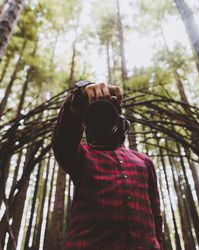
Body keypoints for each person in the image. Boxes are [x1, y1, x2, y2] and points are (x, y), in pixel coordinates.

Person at [52, 81, 163, 250]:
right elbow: (63, 141)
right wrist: (78, 97)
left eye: (107, 116)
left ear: (123, 123)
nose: (102, 121)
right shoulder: (80, 154)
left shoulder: (145, 161)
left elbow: (156, 216)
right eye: (97, 118)